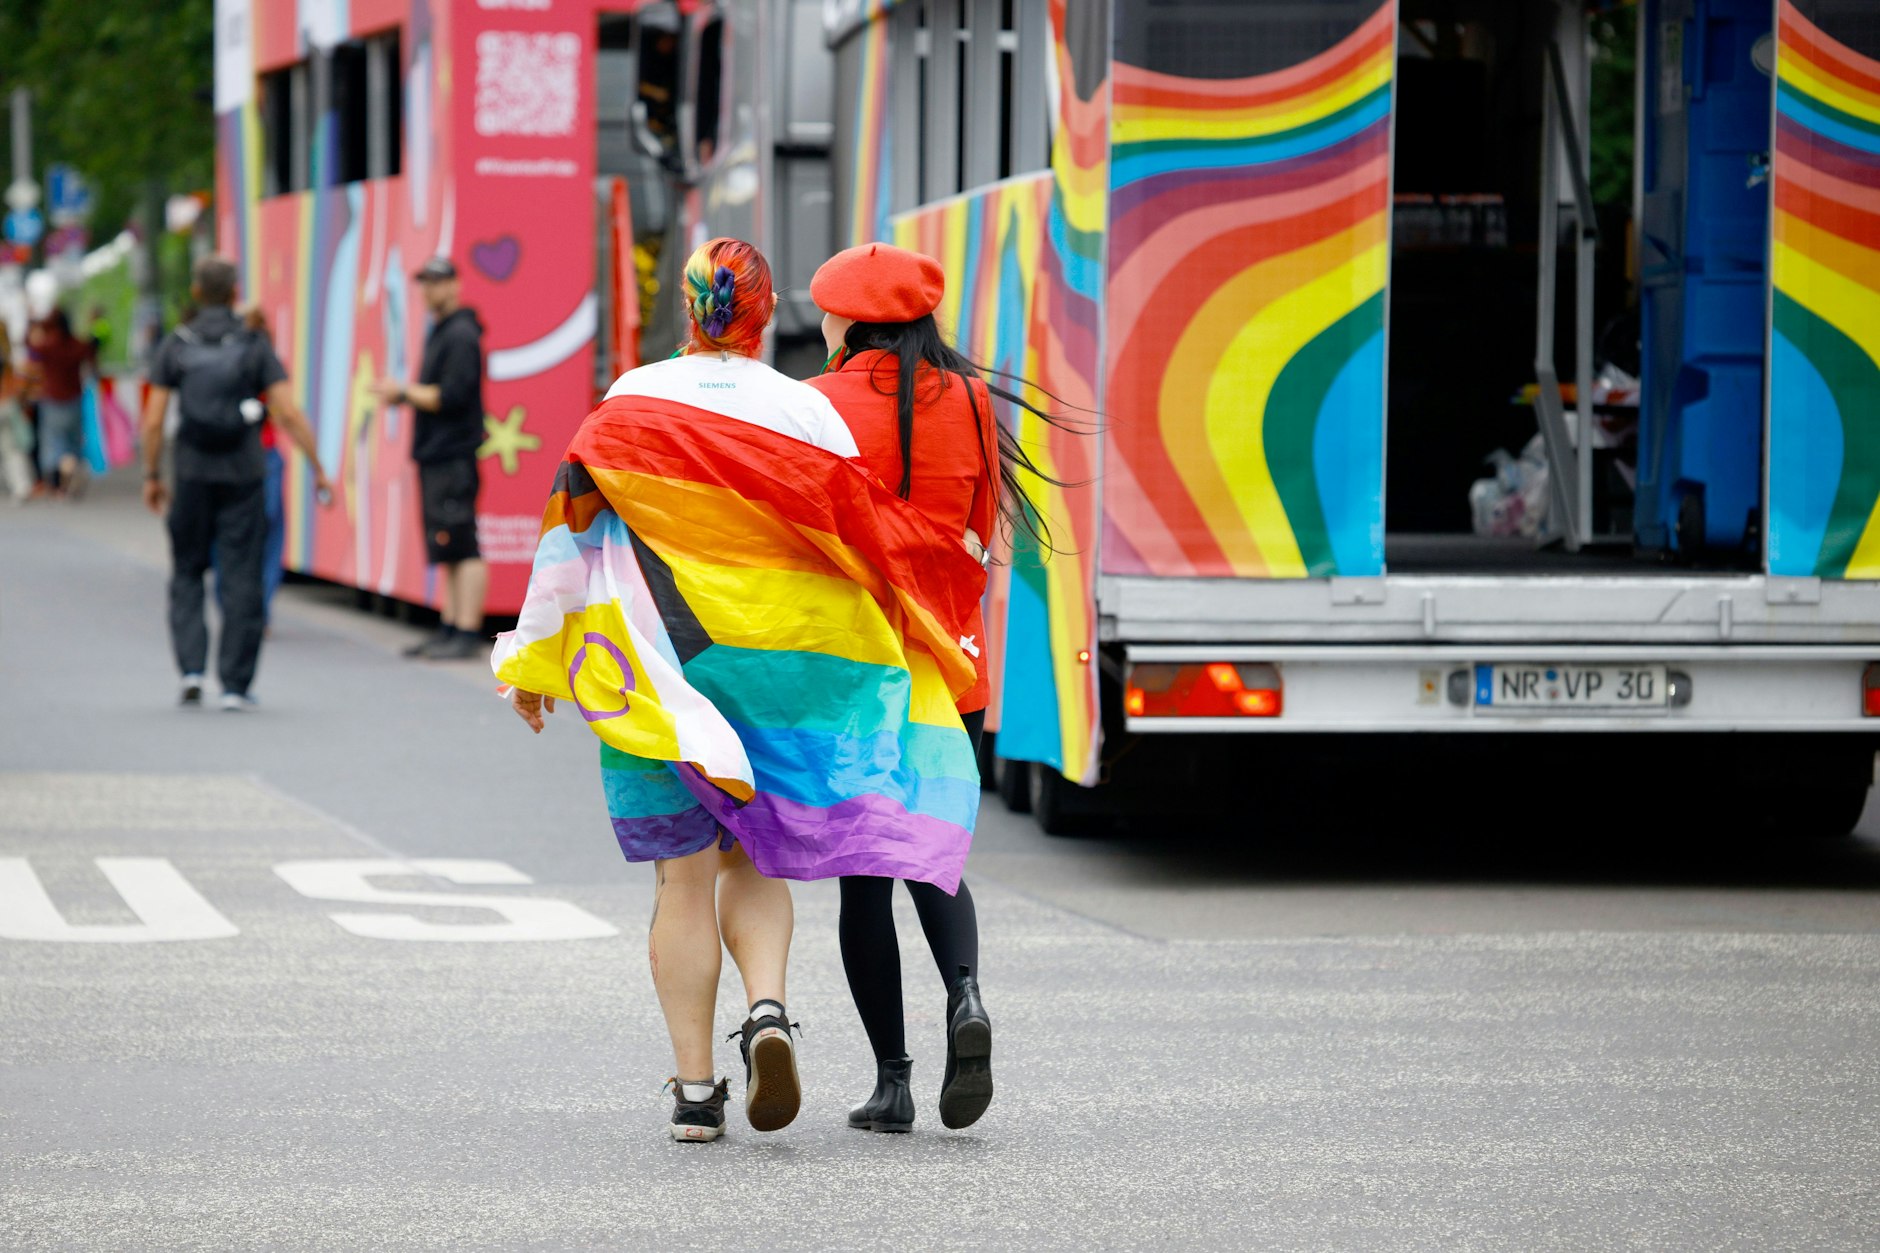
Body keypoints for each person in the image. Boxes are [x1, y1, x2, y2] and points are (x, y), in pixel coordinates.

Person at [502, 238, 868, 1144]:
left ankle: (698, 1090)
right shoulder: (806, 411)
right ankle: (771, 1011)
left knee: (683, 875)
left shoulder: (627, 402)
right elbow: (855, 549)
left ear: (687, 309)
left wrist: (534, 658)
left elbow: (570, 539)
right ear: (766, 312)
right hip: (778, 668)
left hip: (655, 672)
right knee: (757, 854)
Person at [806, 241, 1071, 1134]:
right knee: (933, 847)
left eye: (829, 316)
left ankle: (893, 1081)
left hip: (856, 664)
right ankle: (965, 994)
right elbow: (979, 528)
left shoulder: (818, 403)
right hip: (948, 660)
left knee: (862, 881)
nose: (824, 330)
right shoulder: (968, 397)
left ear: (853, 319)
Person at [141, 255, 332, 710]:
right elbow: (287, 411)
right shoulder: (253, 344)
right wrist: (317, 466)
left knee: (187, 570)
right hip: (244, 474)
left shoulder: (176, 345)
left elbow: (153, 422)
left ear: (195, 291)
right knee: (242, 573)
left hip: (190, 473)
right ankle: (235, 685)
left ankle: (191, 670)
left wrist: (152, 474)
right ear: (234, 292)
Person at [374, 257, 488, 661]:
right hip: (439, 454)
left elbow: (452, 396)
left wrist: (403, 392)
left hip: (453, 453)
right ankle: (451, 627)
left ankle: (467, 630)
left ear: (454, 284)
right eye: (424, 282)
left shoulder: (460, 335)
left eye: (436, 282)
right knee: (448, 544)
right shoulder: (444, 330)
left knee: (463, 544)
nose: (428, 290)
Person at [25, 309, 93, 499]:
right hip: (74, 399)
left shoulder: (48, 345)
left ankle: (63, 482)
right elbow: (91, 352)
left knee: (56, 444)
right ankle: (70, 478)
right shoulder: (76, 344)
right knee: (73, 442)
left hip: (52, 400)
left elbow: (30, 348)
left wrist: (33, 323)